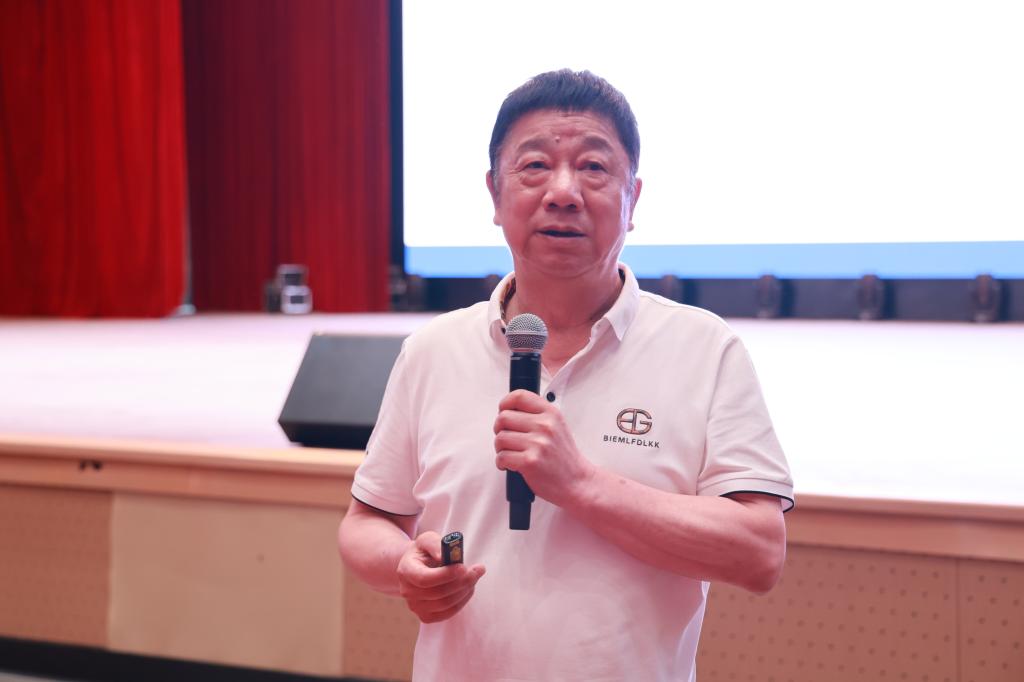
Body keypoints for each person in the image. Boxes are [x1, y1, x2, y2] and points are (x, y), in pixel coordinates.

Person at [338, 69, 794, 682]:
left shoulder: (706, 350)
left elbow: (759, 552)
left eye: (593, 168)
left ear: (633, 199)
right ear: (494, 194)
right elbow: (367, 522)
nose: (563, 192)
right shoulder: (432, 350)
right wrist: (402, 568)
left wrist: (579, 482)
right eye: (534, 166)